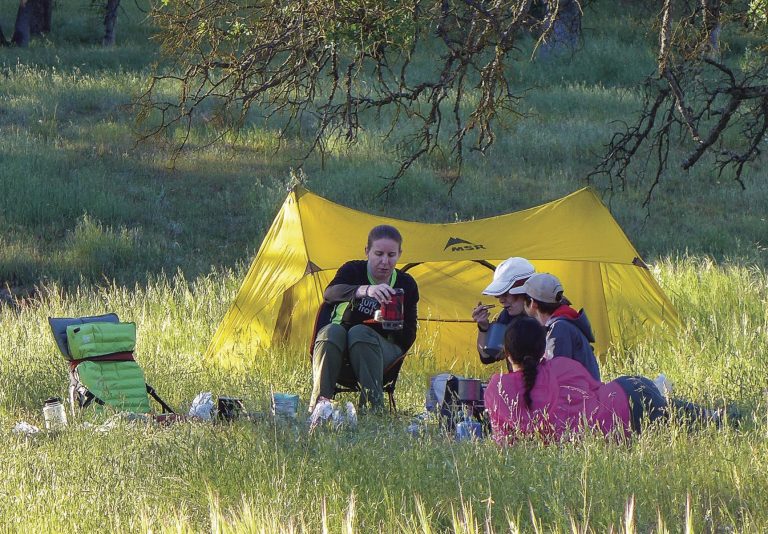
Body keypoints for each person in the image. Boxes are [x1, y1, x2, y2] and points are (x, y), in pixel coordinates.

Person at [484, 317, 725, 444]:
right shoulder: (561, 366)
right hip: (627, 399)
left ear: (506, 353)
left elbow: (503, 443)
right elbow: (595, 388)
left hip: (621, 418)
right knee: (676, 414)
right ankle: (716, 417)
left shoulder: (497, 390)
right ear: (541, 350)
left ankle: (715, 417)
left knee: (672, 414)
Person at [310, 225, 419, 412]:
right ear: (367, 251)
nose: (385, 261)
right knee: (332, 331)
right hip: (339, 348)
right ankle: (320, 408)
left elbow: (409, 337)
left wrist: (392, 322)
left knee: (360, 333)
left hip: (383, 352)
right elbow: (329, 294)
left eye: (391, 255)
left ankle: (372, 410)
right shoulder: (353, 270)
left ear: (399, 254)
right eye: (379, 254)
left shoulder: (405, 284)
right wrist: (365, 290)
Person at [522, 272, 601, 380]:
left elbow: (554, 376)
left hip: (583, 390)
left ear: (532, 303)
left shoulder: (560, 328)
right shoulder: (564, 323)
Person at [471, 257, 535, 365]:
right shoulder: (507, 316)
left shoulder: (551, 317)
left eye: (505, 294)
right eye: (498, 295)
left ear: (524, 292)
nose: (501, 300)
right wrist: (483, 328)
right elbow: (487, 357)